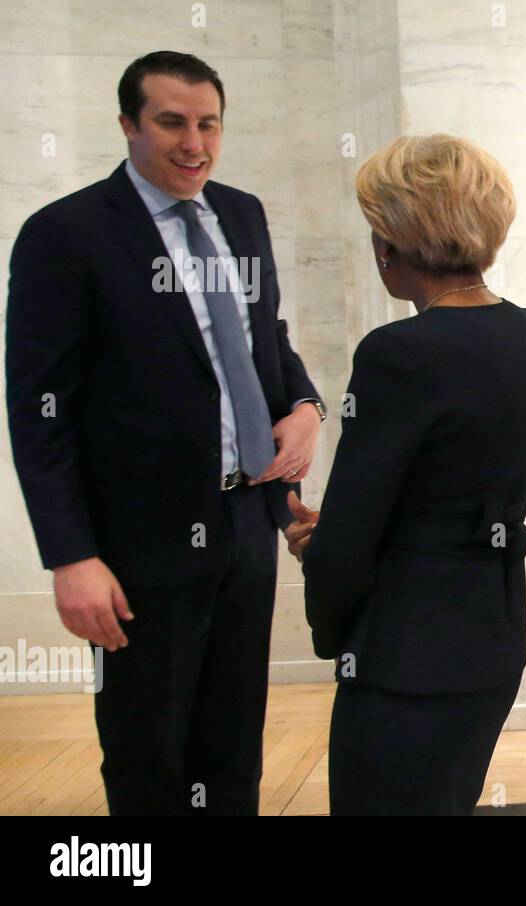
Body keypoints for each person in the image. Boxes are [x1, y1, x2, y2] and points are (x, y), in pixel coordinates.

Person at [6, 51, 323, 815]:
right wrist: (72, 556)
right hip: (136, 544)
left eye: (208, 123)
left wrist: (306, 405)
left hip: (245, 524)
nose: (195, 144)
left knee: (233, 744)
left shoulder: (241, 213)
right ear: (128, 125)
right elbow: (38, 411)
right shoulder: (65, 234)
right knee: (148, 752)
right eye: (172, 123)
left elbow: (262, 337)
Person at [290, 135, 526, 815]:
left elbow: (347, 543)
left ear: (391, 241)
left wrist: (329, 602)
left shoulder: (398, 353)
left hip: (405, 654)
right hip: (489, 639)